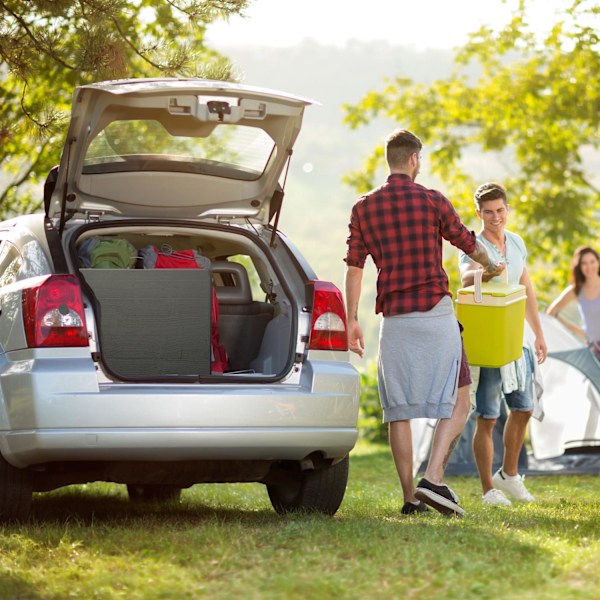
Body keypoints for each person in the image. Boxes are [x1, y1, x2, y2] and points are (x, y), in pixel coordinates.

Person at [344, 129, 503, 517]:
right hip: (435, 313)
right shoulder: (432, 200)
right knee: (460, 396)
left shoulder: (363, 208)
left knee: (399, 409)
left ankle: (410, 499)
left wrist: (351, 319)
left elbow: (353, 267)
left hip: (395, 319)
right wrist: (493, 264)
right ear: (414, 159)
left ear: (390, 160)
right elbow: (467, 241)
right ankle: (433, 477)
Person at [458, 182, 547, 507]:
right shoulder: (473, 244)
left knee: (524, 407)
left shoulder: (517, 242)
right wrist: (488, 271)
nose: (495, 217)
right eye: (488, 212)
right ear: (479, 213)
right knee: (488, 416)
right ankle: (487, 490)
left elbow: (528, 288)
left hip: (517, 338)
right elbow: (465, 278)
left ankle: (509, 476)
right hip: (490, 340)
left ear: (506, 210)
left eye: (500, 211)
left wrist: (538, 332)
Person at [546, 246, 600, 359]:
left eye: (592, 262)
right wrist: (567, 326)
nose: (589, 266)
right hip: (593, 351)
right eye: (584, 263)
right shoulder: (576, 290)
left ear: (598, 262)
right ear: (579, 267)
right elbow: (551, 312)